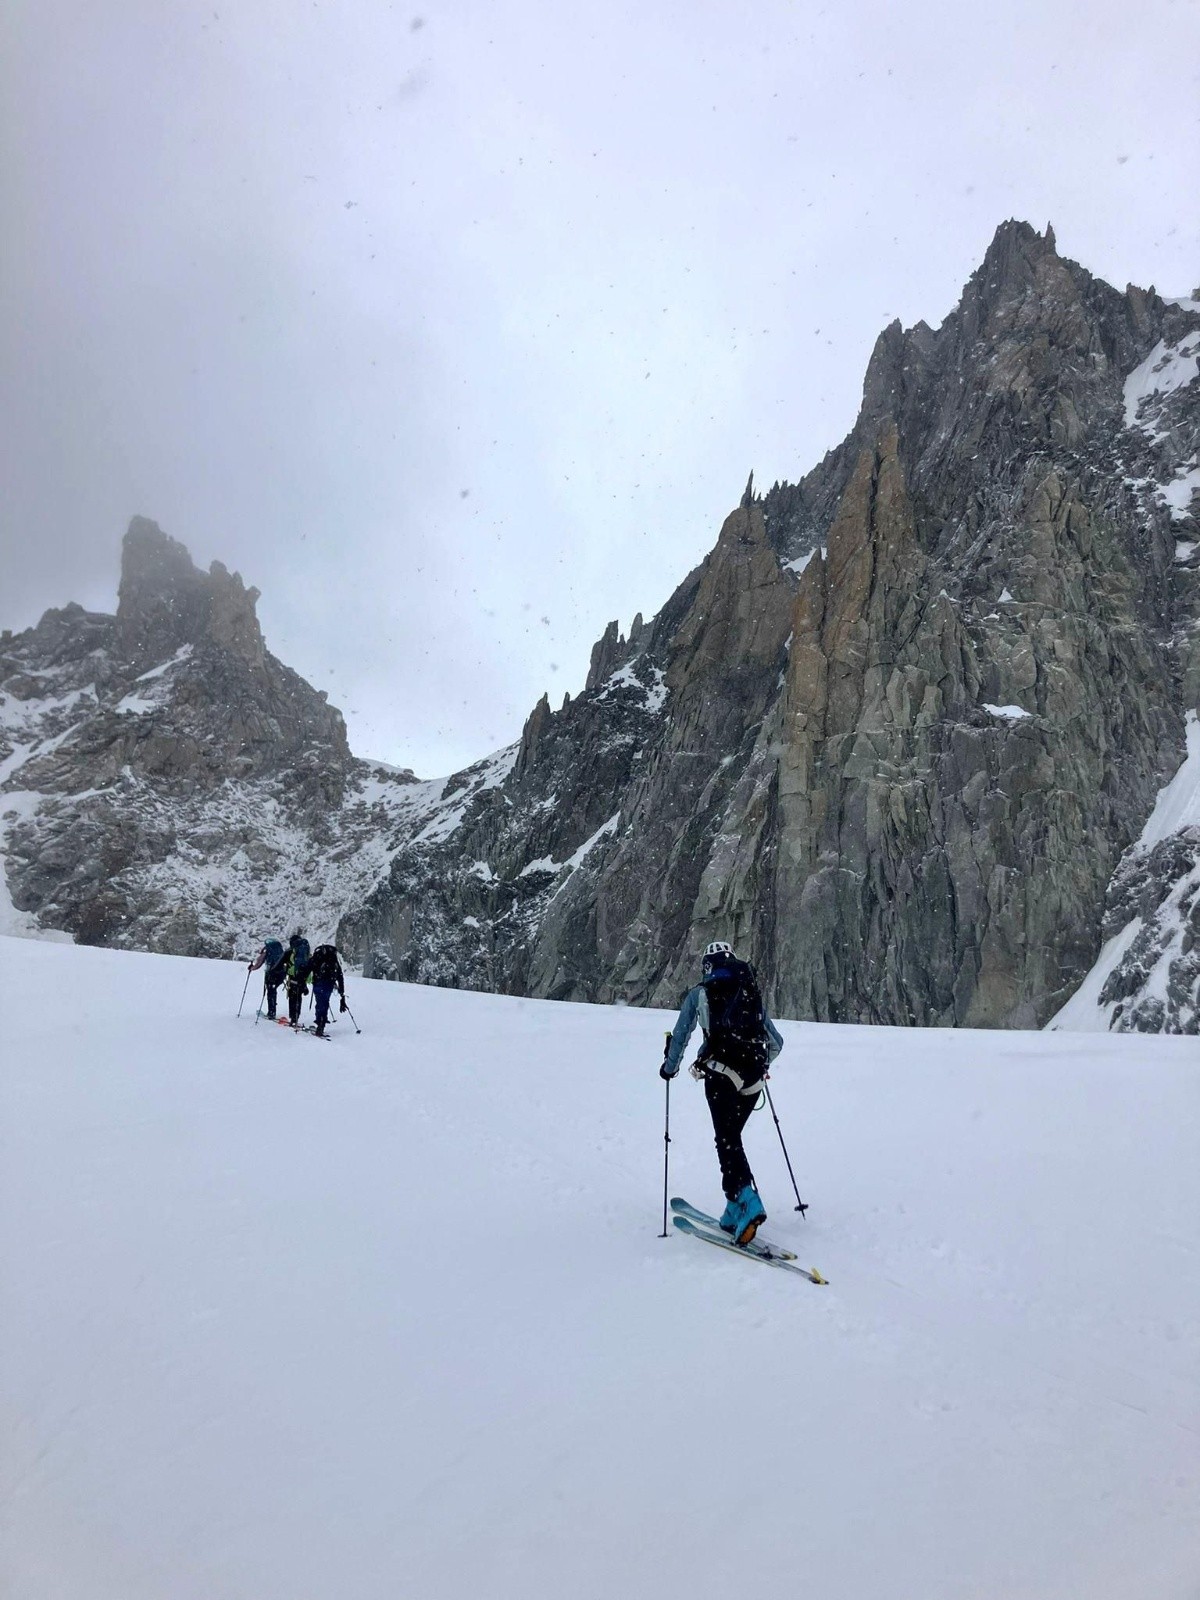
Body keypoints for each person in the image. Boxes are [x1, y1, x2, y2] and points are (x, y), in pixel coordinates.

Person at [660, 941, 784, 1246]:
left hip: (720, 1074)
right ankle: (732, 1208)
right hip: (753, 1080)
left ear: (707, 966)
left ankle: (747, 1199)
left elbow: (681, 1035)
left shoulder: (699, 994)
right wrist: (761, 1064)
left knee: (726, 1140)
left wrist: (669, 1068)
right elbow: (776, 1041)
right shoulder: (748, 990)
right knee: (731, 1140)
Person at [307, 943, 347, 1037]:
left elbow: (308, 967)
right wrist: (342, 993)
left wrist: (302, 980)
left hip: (318, 983)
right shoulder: (333, 959)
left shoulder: (318, 956)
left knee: (320, 1003)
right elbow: (340, 975)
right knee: (324, 1002)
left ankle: (320, 1024)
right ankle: (322, 1023)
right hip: (329, 984)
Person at [248, 936, 287, 1020]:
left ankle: (271, 1012)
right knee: (273, 990)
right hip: (281, 974)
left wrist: (252, 968)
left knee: (271, 992)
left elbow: (259, 962)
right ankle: (272, 1011)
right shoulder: (280, 950)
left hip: (271, 974)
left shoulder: (267, 950)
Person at [284, 929, 311, 1026]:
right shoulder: (305, 950)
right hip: (303, 977)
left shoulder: (292, 951)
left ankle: (293, 1018)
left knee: (292, 997)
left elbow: (283, 962)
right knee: (298, 997)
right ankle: (296, 1017)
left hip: (293, 977)